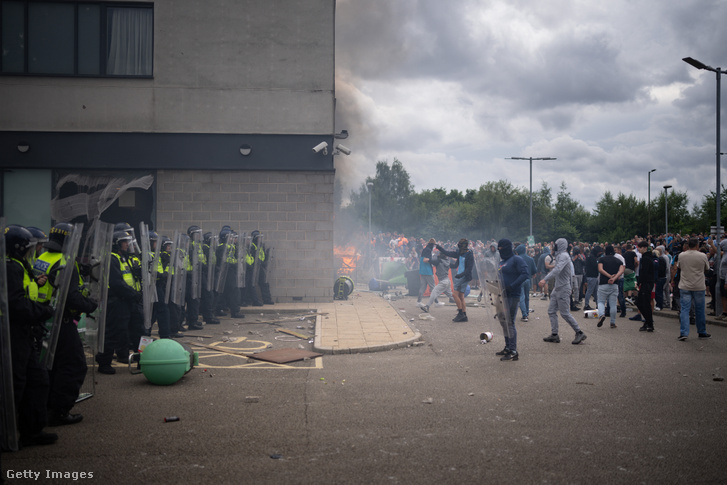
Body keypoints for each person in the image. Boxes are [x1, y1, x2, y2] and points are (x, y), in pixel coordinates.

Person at [32, 223, 98, 426]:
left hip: (43, 318)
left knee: (52, 366)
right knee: (74, 365)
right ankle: (59, 411)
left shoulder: (42, 258)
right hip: (61, 320)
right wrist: (91, 305)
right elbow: (71, 298)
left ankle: (47, 406)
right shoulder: (65, 261)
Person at [5, 225, 57, 446]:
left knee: (37, 381)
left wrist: (36, 285)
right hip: (13, 334)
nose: (35, 250)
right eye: (32, 247)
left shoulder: (19, 266)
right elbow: (16, 304)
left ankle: (32, 430)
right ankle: (6, 435)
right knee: (14, 384)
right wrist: (44, 311)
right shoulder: (11, 268)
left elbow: (21, 294)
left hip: (25, 333)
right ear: (19, 248)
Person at [95, 230, 142, 374]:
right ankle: (104, 363)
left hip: (130, 300)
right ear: (116, 243)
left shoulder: (125, 257)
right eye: (124, 242)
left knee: (138, 330)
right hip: (117, 301)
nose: (127, 244)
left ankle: (143, 360)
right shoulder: (111, 258)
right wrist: (134, 294)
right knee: (113, 331)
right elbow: (116, 283)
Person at [539, 238, 587, 345]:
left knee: (565, 313)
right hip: (558, 288)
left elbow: (557, 270)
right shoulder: (560, 255)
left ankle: (579, 332)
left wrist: (544, 279)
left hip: (563, 288)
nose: (553, 246)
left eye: (555, 245)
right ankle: (555, 334)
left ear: (560, 245)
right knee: (551, 311)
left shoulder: (564, 256)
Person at [496, 239, 529, 361]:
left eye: (501, 249)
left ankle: (513, 350)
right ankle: (507, 347)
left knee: (509, 322)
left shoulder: (517, 259)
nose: (500, 251)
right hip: (501, 295)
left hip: (513, 295)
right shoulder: (502, 261)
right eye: (498, 249)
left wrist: (512, 286)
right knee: (503, 322)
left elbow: (525, 274)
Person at [676, 237, 711, 341]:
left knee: (685, 310)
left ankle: (684, 332)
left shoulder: (681, 255)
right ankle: (702, 331)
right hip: (699, 286)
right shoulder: (702, 255)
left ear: (687, 245)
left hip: (685, 285)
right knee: (699, 310)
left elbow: (679, 267)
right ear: (697, 245)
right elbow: (707, 268)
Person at [436, 239, 474, 322]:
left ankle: (460, 313)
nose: (458, 245)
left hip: (463, 277)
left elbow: (469, 269)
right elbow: (449, 254)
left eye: (460, 244)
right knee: (461, 296)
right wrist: (439, 248)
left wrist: (460, 275)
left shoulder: (469, 255)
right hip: (460, 276)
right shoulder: (460, 253)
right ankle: (464, 315)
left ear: (463, 245)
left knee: (454, 294)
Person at [596, 244, 624, 329]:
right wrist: (614, 278)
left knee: (601, 301)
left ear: (605, 251)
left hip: (603, 283)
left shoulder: (602, 259)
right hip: (614, 284)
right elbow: (621, 270)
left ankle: (601, 315)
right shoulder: (618, 260)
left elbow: (600, 269)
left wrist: (609, 276)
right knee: (613, 304)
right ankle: (613, 322)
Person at [418, 248, 453, 313]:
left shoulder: (438, 261)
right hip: (447, 281)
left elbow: (426, 260)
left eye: (439, 253)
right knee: (451, 296)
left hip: (443, 282)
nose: (438, 254)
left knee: (434, 292)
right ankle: (461, 304)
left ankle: (427, 306)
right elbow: (455, 265)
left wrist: (426, 257)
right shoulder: (447, 261)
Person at [635, 241, 657, 332]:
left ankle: (649, 322)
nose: (639, 250)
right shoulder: (650, 257)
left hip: (646, 283)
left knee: (642, 302)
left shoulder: (646, 258)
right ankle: (648, 322)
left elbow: (644, 272)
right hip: (648, 282)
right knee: (642, 302)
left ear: (644, 248)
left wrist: (639, 282)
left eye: (639, 248)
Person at [515, 244, 536, 322]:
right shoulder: (530, 259)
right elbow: (534, 271)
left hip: (519, 280)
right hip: (528, 279)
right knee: (527, 297)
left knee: (521, 298)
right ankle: (527, 312)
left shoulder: (516, 259)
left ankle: (524, 315)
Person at [417, 239, 436, 304]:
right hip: (428, 271)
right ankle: (437, 302)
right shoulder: (428, 250)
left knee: (422, 287)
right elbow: (425, 260)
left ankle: (419, 302)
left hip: (422, 271)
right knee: (433, 287)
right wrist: (433, 260)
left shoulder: (425, 249)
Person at [583, 246, 601, 310]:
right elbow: (595, 266)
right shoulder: (593, 257)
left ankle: (597, 304)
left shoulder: (589, 256)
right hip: (592, 276)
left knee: (595, 291)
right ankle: (586, 305)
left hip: (591, 275)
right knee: (590, 291)